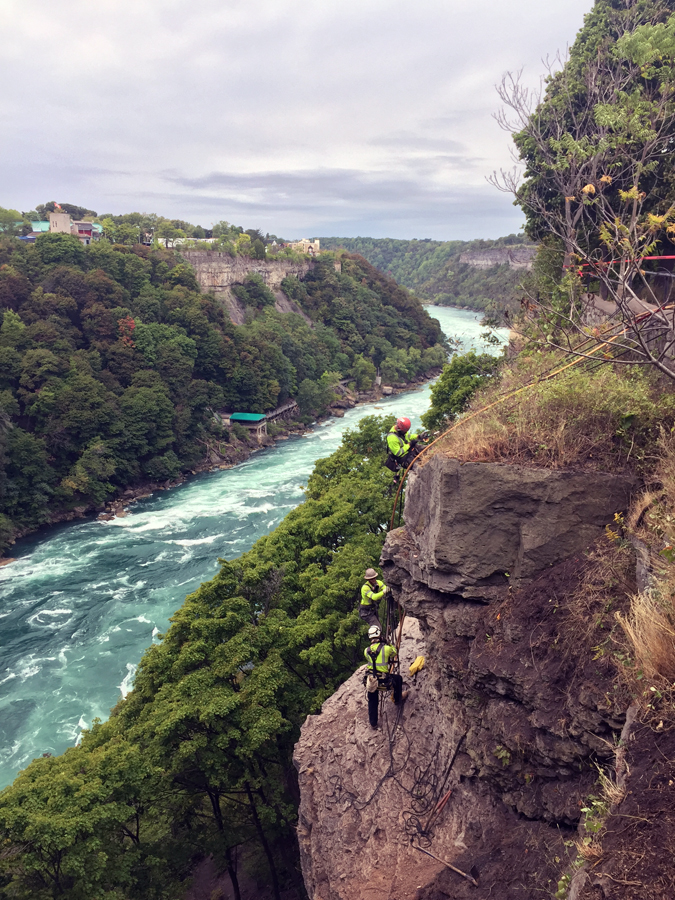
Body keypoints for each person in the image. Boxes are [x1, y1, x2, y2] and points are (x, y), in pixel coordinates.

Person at [364, 625, 407, 727]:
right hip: (384, 682)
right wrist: (387, 643)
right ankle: (397, 699)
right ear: (379, 635)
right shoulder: (386, 648)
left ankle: (373, 723)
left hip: (372, 681)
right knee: (398, 679)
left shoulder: (366, 651)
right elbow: (395, 652)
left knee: (372, 699)